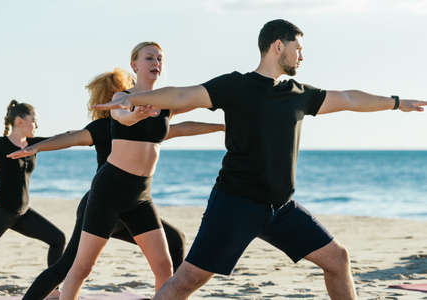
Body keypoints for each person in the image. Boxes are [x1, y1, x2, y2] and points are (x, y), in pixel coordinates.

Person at [94, 20, 427, 300]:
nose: (302, 56)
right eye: (298, 48)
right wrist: (134, 97)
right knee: (187, 281)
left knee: (337, 259)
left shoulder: (299, 94)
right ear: (278, 47)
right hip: (234, 204)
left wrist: (396, 102)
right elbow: (183, 94)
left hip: (281, 208)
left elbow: (350, 98)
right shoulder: (235, 86)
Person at [7, 68, 224, 300]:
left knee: (174, 241)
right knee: (71, 266)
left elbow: (181, 129)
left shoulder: (150, 124)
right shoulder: (103, 127)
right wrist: (37, 146)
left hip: (134, 202)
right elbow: (71, 137)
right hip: (102, 202)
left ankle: (172, 294)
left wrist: (221, 127)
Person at [59, 42, 218, 300]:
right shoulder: (122, 97)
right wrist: (136, 116)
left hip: (140, 195)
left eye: (159, 58)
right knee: (82, 267)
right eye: (149, 58)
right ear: (135, 65)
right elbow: (123, 116)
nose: (156, 62)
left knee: (164, 266)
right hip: (109, 191)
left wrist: (224, 125)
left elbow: (193, 107)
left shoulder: (165, 101)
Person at [0, 100, 65, 268]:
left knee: (57, 239)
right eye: (34, 120)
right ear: (19, 121)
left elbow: (62, 139)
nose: (37, 125)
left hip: (22, 214)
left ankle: (52, 291)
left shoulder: (35, 145)